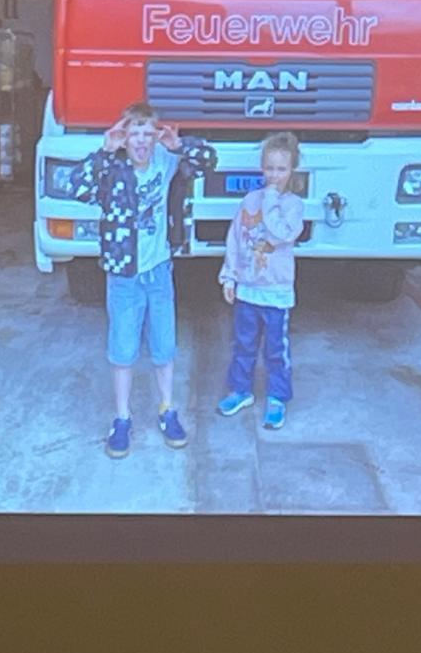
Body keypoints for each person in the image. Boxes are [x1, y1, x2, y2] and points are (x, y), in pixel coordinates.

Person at [73, 101, 216, 459]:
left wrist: (179, 144)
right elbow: (78, 187)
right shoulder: (113, 169)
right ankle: (122, 418)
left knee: (164, 346)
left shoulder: (167, 161)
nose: (140, 140)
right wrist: (105, 151)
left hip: (159, 271)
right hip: (124, 274)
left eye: (147, 133)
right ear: (124, 138)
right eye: (133, 133)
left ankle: (167, 409)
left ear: (155, 136)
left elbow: (208, 160)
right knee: (123, 349)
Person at [216, 132, 306, 431]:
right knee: (243, 344)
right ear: (262, 167)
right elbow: (235, 239)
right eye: (269, 168)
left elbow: (281, 234)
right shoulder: (249, 200)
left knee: (276, 350)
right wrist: (229, 276)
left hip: (276, 292)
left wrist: (270, 199)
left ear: (292, 170)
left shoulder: (293, 205)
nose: (274, 175)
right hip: (248, 290)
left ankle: (277, 397)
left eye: (281, 169)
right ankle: (240, 390)